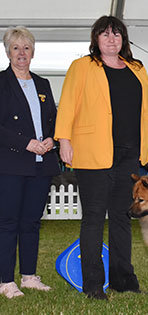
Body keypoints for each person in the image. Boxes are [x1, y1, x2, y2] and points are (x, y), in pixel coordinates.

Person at [54, 15, 148, 300]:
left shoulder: (136, 68)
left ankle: (124, 280)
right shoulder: (81, 67)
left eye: (117, 34)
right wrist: (64, 140)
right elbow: (68, 105)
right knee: (94, 219)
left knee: (124, 219)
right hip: (92, 155)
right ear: (96, 39)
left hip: (129, 156)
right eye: (105, 34)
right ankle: (93, 285)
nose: (112, 38)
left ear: (124, 39)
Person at [0, 26, 60, 299]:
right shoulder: (1, 83)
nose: (21, 53)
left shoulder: (43, 84)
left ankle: (29, 276)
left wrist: (52, 140)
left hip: (41, 164)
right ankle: (5, 281)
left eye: (26, 48)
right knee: (8, 223)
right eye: (16, 48)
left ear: (33, 52)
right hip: (11, 164)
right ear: (7, 52)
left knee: (31, 223)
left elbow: (54, 120)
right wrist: (25, 142)